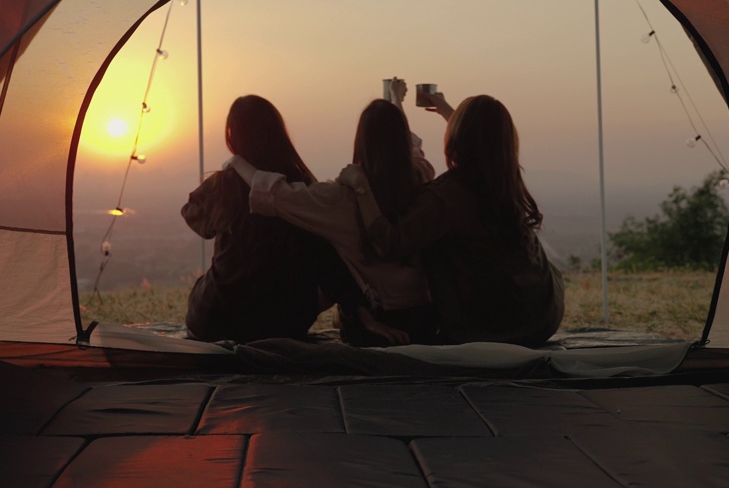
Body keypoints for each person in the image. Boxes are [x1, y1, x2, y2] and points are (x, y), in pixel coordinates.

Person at [339, 93, 564, 347]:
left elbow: (389, 244)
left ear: (457, 138)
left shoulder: (443, 198)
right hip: (543, 311)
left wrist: (360, 186)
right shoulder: (505, 181)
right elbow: (486, 139)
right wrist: (449, 112)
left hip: (500, 326)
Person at [224, 85, 435, 346]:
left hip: (374, 326)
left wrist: (236, 162)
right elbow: (412, 152)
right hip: (425, 319)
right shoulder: (423, 180)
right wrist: (394, 105)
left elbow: (274, 194)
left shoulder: (339, 199)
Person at [182, 95, 365, 343]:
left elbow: (194, 217)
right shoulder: (301, 186)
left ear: (232, 135)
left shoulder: (225, 183)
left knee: (210, 279)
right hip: (281, 321)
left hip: (215, 318)